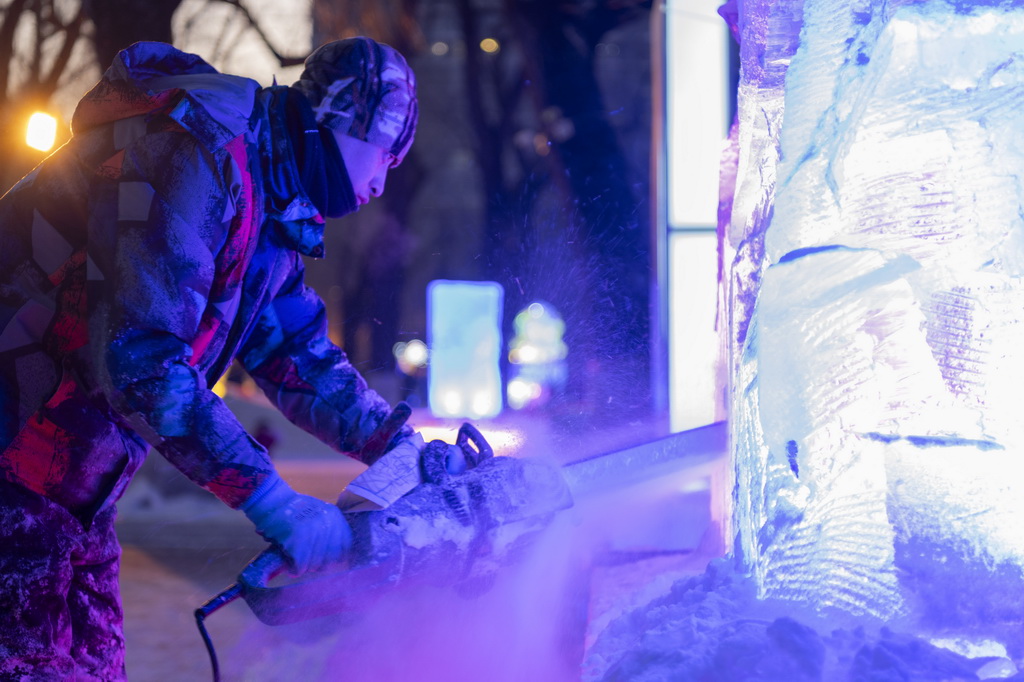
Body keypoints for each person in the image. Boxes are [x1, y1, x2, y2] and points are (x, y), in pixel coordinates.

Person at [0, 37, 419, 680]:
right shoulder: (197, 149)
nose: (381, 182)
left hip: (63, 485)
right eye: (387, 155)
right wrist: (273, 501)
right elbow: (140, 358)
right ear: (345, 117)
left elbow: (291, 351)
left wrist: (399, 446)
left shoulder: (270, 199)